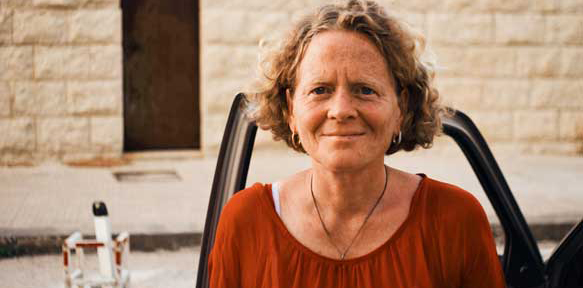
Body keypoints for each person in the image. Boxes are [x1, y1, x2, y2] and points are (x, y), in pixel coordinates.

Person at [209, 0, 506, 287]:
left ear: (400, 107)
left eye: (365, 90)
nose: (340, 110)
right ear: (290, 111)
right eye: (320, 90)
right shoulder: (245, 223)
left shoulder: (455, 221)